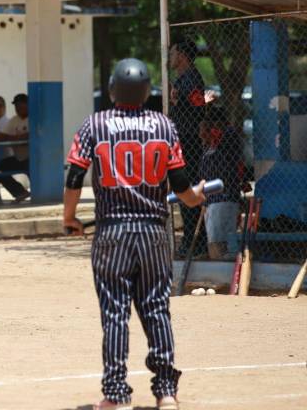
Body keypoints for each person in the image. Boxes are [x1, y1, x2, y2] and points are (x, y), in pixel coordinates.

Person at [64, 58, 206, 410]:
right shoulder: (164, 125)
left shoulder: (94, 125)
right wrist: (195, 197)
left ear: (112, 89)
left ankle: (114, 396)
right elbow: (182, 185)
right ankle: (166, 393)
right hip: (153, 232)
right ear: (146, 92)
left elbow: (73, 178)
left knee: (114, 313)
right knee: (157, 309)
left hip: (112, 232)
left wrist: (69, 217)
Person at [169, 39, 211, 256]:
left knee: (188, 190)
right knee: (181, 191)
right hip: (180, 141)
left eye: (173, 52)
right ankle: (190, 241)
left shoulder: (192, 78)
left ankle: (196, 243)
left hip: (189, 142)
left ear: (183, 55)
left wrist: (178, 102)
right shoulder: (182, 79)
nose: (170, 57)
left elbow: (198, 109)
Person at [199, 107, 244, 260]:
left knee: (220, 246)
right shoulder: (209, 144)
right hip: (211, 199)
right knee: (214, 244)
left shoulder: (227, 136)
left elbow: (230, 168)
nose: (201, 133)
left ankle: (227, 271)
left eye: (205, 126)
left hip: (224, 198)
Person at [0, 93, 30, 203]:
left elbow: (30, 136)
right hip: (19, 158)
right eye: (16, 106)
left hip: (32, 158)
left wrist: (13, 138)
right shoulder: (15, 119)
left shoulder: (34, 118)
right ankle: (20, 192)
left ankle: (40, 195)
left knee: (34, 168)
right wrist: (17, 138)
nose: (18, 108)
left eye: (21, 105)